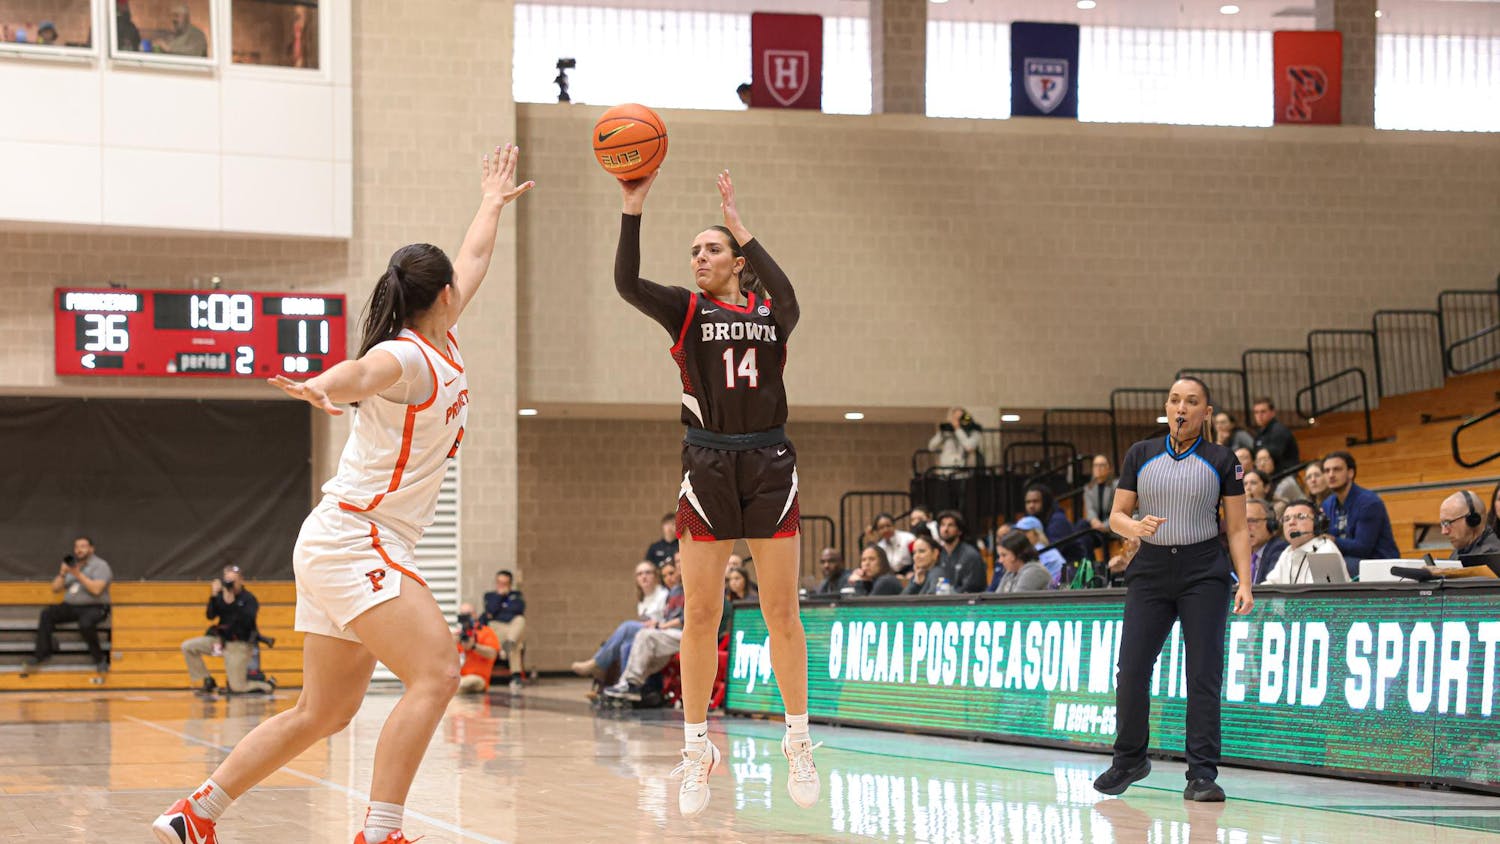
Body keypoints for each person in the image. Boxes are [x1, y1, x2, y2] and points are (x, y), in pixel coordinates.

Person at [152, 144, 533, 844]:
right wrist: (321, 388)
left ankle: (195, 813)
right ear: (441, 296)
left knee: (321, 713)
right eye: (456, 283)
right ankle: (380, 833)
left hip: (340, 539)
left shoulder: (441, 335)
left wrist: (490, 201)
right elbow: (357, 372)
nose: (464, 283)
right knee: (439, 673)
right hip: (358, 538)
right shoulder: (407, 355)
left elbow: (472, 259)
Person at [614, 167, 818, 815]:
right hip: (707, 463)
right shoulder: (684, 308)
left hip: (769, 461)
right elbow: (625, 282)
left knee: (781, 611)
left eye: (711, 250)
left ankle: (798, 739)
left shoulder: (769, 312)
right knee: (700, 614)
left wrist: (740, 226)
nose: (699, 258)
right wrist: (632, 207)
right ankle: (697, 744)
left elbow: (789, 294)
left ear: (735, 261)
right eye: (694, 252)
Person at [1093, 376, 1253, 804]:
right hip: (1150, 570)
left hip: (1204, 570)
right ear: (1167, 407)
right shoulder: (1140, 454)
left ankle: (1202, 773)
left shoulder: (1223, 459)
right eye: (1175, 400)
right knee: (1131, 670)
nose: (1181, 408)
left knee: (1202, 675)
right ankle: (1129, 758)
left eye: (1192, 402)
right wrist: (1136, 526)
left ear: (1206, 413)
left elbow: (1237, 528)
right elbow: (1116, 516)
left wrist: (1246, 581)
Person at [22, 536, 112, 676]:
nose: (79, 550)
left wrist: (77, 574)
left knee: (85, 623)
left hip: (95, 607)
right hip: (71, 606)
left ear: (91, 549)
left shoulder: (101, 566)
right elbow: (55, 588)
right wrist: (63, 573)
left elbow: (96, 590)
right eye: (76, 547)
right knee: (47, 614)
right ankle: (42, 654)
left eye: (83, 546)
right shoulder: (73, 565)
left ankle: (99, 659)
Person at [180, 565, 275, 695]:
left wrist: (232, 603)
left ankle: (267, 685)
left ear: (241, 581)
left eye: (233, 581)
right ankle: (207, 680)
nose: (230, 585)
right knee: (188, 647)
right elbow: (210, 615)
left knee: (237, 687)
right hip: (221, 642)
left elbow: (246, 622)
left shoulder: (249, 599)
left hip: (239, 645)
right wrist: (213, 596)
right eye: (227, 581)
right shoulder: (221, 596)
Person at [605, 559, 687, 701]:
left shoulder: (690, 588)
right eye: (677, 563)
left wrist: (661, 626)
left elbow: (685, 619)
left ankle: (631, 684)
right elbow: (669, 618)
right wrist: (660, 625)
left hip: (686, 634)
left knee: (640, 633)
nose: (679, 566)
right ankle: (629, 687)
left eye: (681, 563)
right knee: (629, 645)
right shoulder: (675, 591)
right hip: (669, 634)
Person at [571, 561, 669, 678]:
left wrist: (656, 624)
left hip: (661, 635)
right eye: (640, 574)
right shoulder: (642, 599)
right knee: (626, 645)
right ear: (636, 579)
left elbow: (668, 620)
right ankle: (625, 687)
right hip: (646, 635)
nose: (644, 576)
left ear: (655, 576)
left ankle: (596, 663)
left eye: (648, 573)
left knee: (627, 626)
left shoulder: (664, 594)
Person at [1320, 451, 1399, 576]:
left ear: (1350, 473)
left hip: (1379, 563)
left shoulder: (1369, 502)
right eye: (1326, 471)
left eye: (1337, 469)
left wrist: (1333, 540)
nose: (1331, 475)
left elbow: (1363, 548)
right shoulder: (1327, 504)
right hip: (1350, 561)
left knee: (1335, 566)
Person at [1262, 501, 1343, 585]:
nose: (1291, 522)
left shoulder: (1325, 551)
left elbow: (1324, 595)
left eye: (1300, 517)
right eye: (1286, 519)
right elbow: (1271, 585)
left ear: (1317, 524)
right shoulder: (1288, 552)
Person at [479, 569, 526, 691]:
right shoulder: (490, 596)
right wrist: (501, 597)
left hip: (511, 627)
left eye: (504, 583)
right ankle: (516, 676)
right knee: (516, 641)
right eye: (499, 582)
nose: (501, 586)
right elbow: (490, 612)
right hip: (496, 628)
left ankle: (507, 646)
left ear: (510, 584)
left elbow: (518, 610)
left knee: (520, 620)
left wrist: (502, 611)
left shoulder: (516, 595)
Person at [1026, 484, 1084, 561]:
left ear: (1045, 502)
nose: (1031, 506)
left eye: (1035, 501)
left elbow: (1051, 553)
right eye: (1028, 502)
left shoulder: (1058, 520)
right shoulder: (1031, 519)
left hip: (1071, 567)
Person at [934, 510, 987, 593]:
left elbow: (973, 587)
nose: (945, 529)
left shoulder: (970, 555)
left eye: (950, 525)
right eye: (942, 525)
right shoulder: (939, 553)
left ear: (959, 531)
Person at [1439, 490, 1500, 559]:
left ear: (1472, 520)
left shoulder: (1491, 555)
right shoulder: (1462, 548)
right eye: (1443, 523)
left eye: (1448, 522)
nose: (1444, 531)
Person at [454, 603, 500, 694]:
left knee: (469, 682)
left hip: (478, 678)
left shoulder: (486, 632)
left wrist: (474, 646)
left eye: (468, 614)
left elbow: (492, 654)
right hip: (458, 678)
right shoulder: (458, 635)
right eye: (462, 615)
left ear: (474, 614)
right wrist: (452, 641)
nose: (465, 618)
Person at [1252, 397, 1300, 474]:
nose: (1259, 415)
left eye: (1263, 412)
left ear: (1272, 413)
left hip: (1285, 476)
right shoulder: (1259, 433)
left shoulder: (1279, 430)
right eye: (1256, 412)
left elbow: (1273, 456)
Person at [1013, 516, 1067, 584]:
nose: (1020, 536)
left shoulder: (1043, 551)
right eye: (1019, 532)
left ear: (1037, 534)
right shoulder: (1041, 550)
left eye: (1025, 532)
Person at [1244, 498, 1286, 585]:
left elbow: (1269, 590)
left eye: (1252, 521)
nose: (1246, 527)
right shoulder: (1241, 553)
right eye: (1243, 522)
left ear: (1270, 524)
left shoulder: (1278, 549)